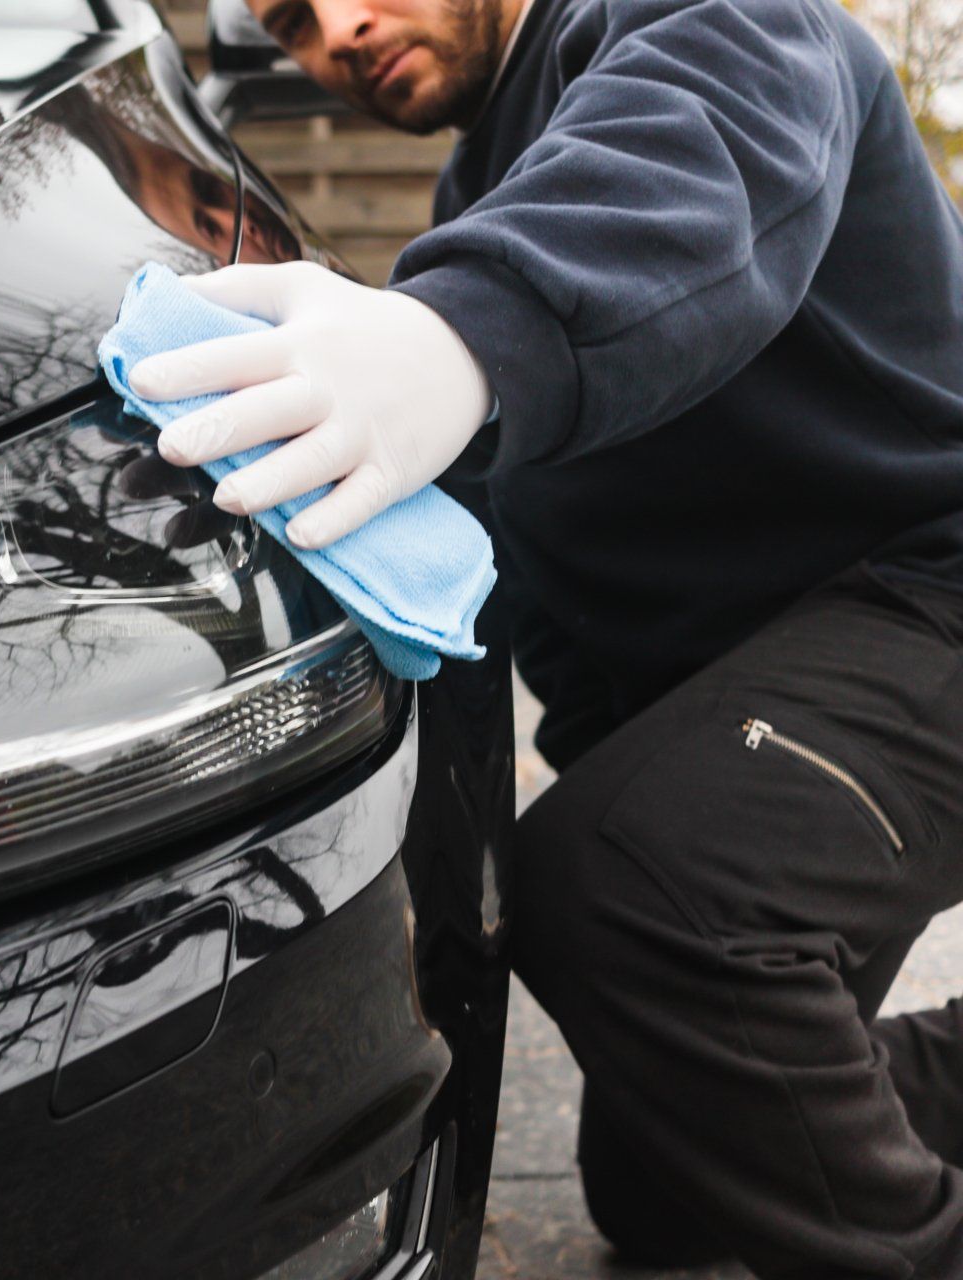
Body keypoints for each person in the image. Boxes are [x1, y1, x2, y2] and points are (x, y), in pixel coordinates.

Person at [127, 0, 963, 1273]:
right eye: (291, 20)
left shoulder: (692, 24)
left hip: (932, 595)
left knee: (632, 889)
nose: (342, 27)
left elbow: (703, 151)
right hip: (784, 697)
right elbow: (571, 609)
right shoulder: (482, 198)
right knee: (671, 1179)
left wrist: (462, 334)